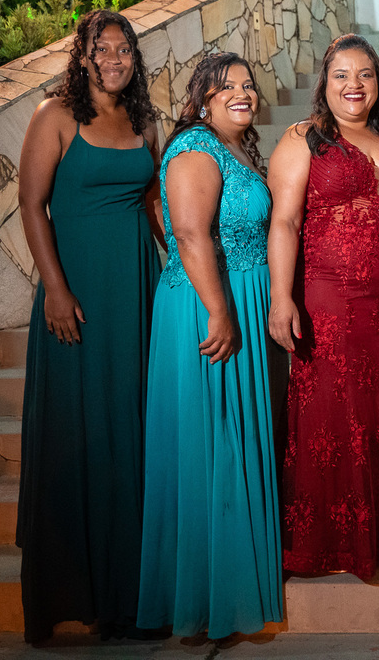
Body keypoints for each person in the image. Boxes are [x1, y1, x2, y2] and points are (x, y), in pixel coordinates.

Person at [267, 34, 379, 580]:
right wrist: (280, 297)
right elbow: (286, 222)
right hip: (331, 295)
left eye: (365, 74)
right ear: (324, 82)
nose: (354, 85)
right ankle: (338, 543)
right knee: (335, 412)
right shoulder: (305, 139)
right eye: (342, 74)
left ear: (378, 82)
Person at [16, 10, 161, 643]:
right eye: (101, 49)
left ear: (135, 56)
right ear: (82, 57)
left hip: (136, 291)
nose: (113, 58)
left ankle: (122, 603)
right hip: (74, 295)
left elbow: (156, 203)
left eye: (123, 48)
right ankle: (59, 596)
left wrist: (189, 270)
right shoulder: (54, 116)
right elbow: (31, 202)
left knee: (129, 435)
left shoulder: (145, 122)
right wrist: (53, 287)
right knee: (75, 437)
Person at [137, 53, 284, 637]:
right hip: (210, 308)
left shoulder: (241, 147)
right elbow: (191, 232)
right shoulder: (196, 147)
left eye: (248, 86)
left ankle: (235, 573)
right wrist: (218, 309)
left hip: (239, 296)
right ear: (202, 98)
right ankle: (206, 596)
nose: (242, 94)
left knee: (233, 439)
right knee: (212, 442)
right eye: (228, 88)